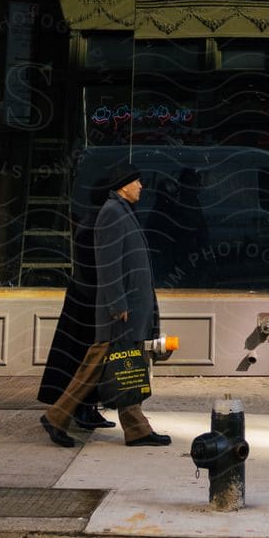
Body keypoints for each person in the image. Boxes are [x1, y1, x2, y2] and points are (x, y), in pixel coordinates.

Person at [39, 161, 172, 449]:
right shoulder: (112, 213)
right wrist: (117, 303)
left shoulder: (122, 211)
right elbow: (108, 265)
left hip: (129, 311)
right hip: (120, 314)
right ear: (124, 185)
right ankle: (56, 415)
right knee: (93, 369)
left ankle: (137, 429)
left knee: (127, 367)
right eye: (136, 181)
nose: (141, 186)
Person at [36, 147, 116, 434]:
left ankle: (85, 407)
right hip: (88, 302)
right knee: (84, 358)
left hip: (83, 299)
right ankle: (80, 408)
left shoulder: (92, 221)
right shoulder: (97, 223)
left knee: (82, 357)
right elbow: (97, 267)